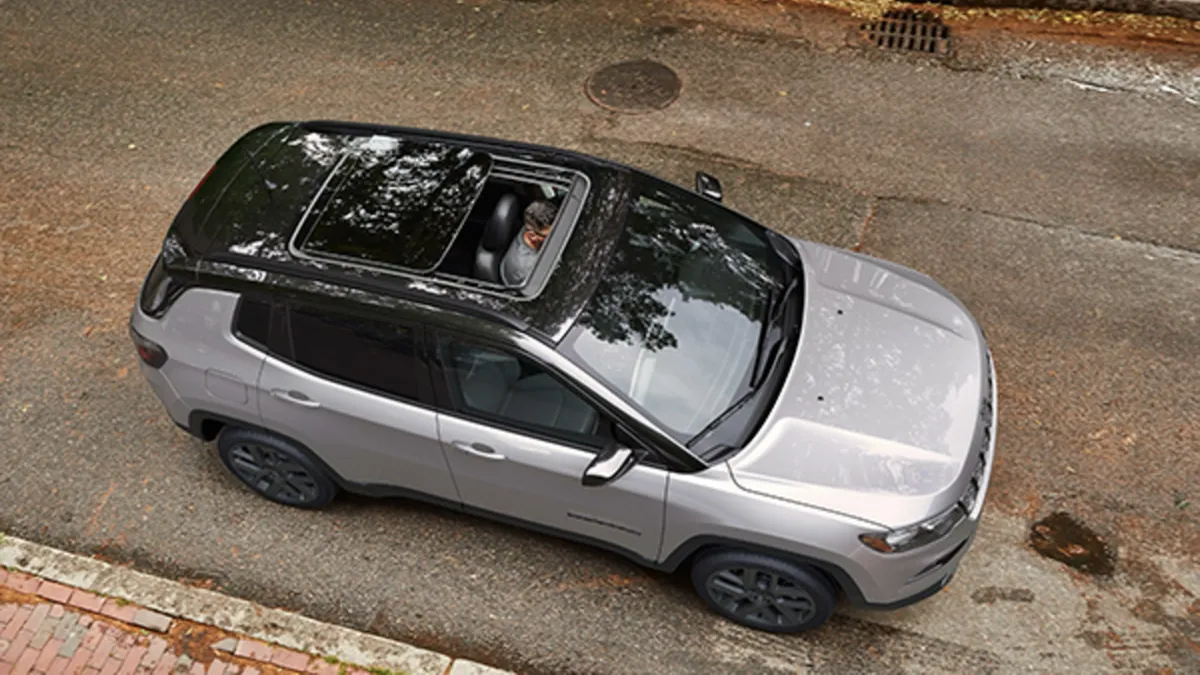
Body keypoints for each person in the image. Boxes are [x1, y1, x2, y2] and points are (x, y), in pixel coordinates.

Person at [500, 199, 558, 287]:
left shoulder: (533, 226)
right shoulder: (529, 268)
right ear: (532, 235)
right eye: (549, 235)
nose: (556, 235)